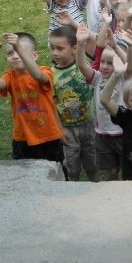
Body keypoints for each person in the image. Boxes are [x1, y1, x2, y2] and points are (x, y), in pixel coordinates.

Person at [0, 32, 64, 163]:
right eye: (10, 53)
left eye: (19, 51)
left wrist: (17, 47)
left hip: (48, 136)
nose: (15, 56)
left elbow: (38, 77)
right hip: (22, 137)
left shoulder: (45, 71)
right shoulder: (10, 76)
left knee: (54, 176)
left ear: (35, 56)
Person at [75, 23, 125, 181]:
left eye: (110, 63)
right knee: (111, 172)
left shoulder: (123, 79)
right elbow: (82, 66)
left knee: (128, 170)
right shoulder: (97, 78)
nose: (104, 66)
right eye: (102, 62)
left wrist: (116, 48)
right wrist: (81, 43)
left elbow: (128, 63)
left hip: (122, 133)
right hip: (102, 133)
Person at [49, 26, 99, 182]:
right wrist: (59, 129)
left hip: (89, 123)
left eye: (60, 48)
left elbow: (84, 59)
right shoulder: (50, 74)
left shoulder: (82, 67)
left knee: (92, 161)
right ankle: (73, 187)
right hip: (67, 127)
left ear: (73, 49)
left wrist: (82, 42)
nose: (55, 52)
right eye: (52, 48)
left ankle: (96, 186)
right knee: (72, 165)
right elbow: (52, 103)